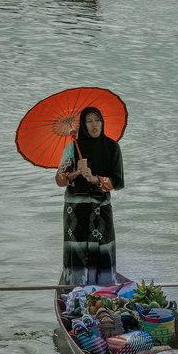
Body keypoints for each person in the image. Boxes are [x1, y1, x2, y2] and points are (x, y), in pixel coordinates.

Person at [55, 107, 124, 286]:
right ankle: (75, 290)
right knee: (77, 250)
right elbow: (60, 180)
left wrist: (94, 178)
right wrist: (77, 171)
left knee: (102, 249)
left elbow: (117, 182)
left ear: (103, 122)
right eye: (89, 121)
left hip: (101, 209)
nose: (94, 125)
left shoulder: (112, 147)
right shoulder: (72, 148)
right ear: (83, 126)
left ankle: (104, 291)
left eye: (97, 120)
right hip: (76, 211)